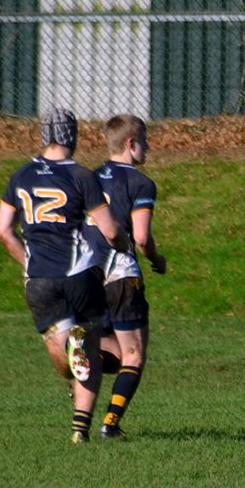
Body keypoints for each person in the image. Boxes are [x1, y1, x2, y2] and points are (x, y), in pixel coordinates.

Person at [0, 108, 121, 442]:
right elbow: (109, 230)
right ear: (73, 136)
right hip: (79, 274)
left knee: (66, 357)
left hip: (38, 280)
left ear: (43, 135)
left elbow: (3, 230)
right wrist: (122, 244)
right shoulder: (81, 176)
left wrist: (28, 263)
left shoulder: (21, 176)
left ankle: (70, 352)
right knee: (98, 351)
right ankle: (80, 431)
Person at [85, 114, 166, 439]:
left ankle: (80, 359)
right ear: (131, 144)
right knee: (133, 354)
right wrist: (157, 260)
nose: (148, 147)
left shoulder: (87, 179)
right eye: (144, 141)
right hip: (120, 274)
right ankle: (111, 424)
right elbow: (142, 238)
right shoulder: (140, 183)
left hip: (85, 275)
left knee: (109, 353)